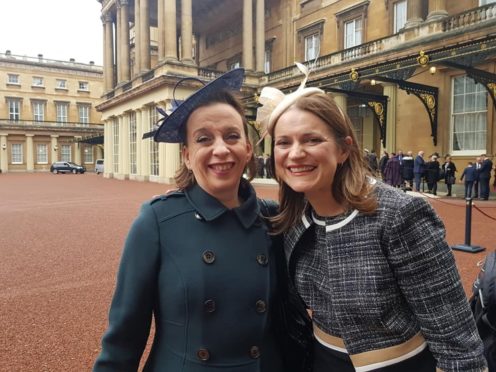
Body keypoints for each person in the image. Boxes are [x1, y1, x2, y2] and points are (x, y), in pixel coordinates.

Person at [256, 67, 488, 371]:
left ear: (343, 149)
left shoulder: (399, 214)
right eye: (283, 142)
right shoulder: (293, 215)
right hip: (319, 361)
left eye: (311, 140)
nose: (295, 153)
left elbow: (455, 336)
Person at [93, 69, 289, 372]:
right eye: (204, 139)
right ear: (186, 155)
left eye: (232, 136)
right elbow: (123, 338)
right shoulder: (157, 221)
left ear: (248, 149)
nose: (221, 149)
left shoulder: (273, 217)